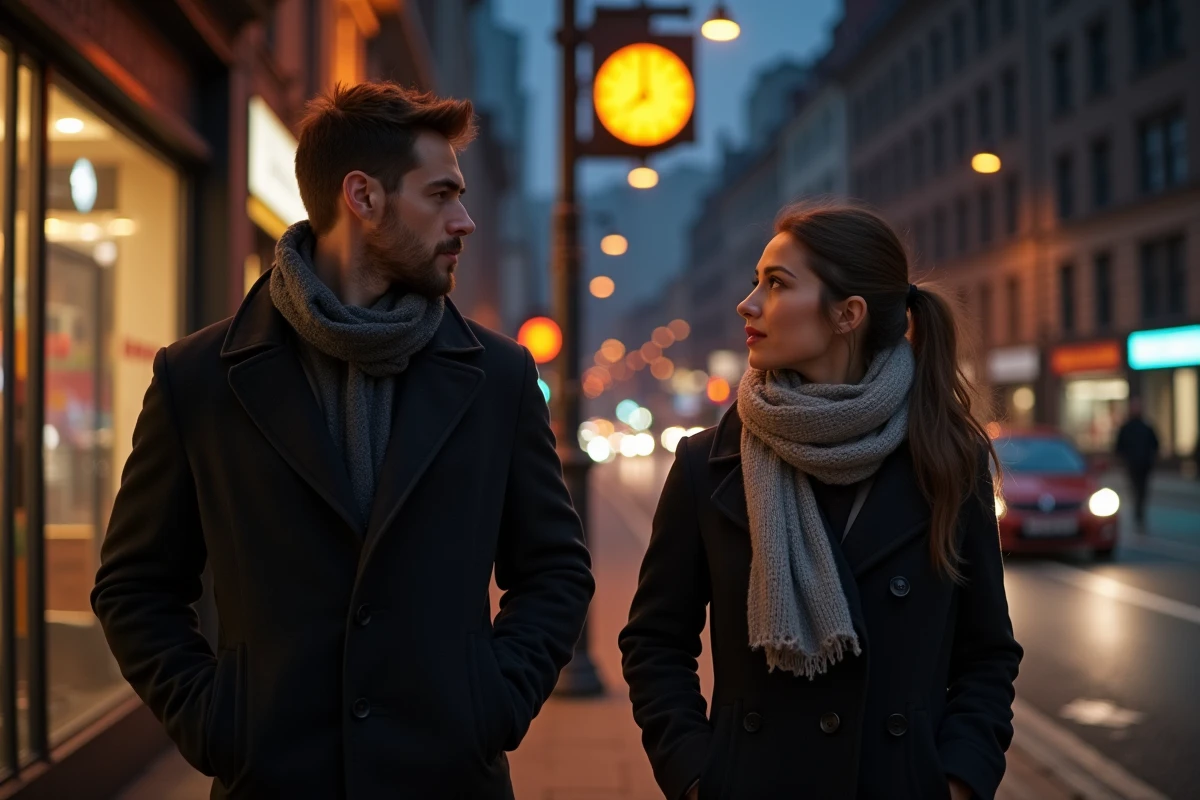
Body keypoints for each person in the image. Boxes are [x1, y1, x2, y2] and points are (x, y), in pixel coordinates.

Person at [91, 82, 594, 799]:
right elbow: (134, 586)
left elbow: (555, 572)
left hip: (448, 780)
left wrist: (492, 704)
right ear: (362, 198)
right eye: (441, 195)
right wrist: (216, 723)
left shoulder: (498, 376)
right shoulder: (198, 377)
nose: (466, 221)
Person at [620, 203, 1022, 800]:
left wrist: (959, 781)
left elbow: (986, 654)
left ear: (846, 314)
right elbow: (655, 642)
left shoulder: (945, 461)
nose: (747, 303)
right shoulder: (707, 466)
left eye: (776, 284)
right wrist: (698, 775)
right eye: (756, 280)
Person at [1115, 397, 1160, 535]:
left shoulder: (1146, 426)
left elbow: (1156, 444)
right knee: (1135, 490)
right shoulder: (1126, 427)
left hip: (1145, 465)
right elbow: (1119, 446)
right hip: (1132, 465)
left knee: (1143, 491)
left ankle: (1140, 514)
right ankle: (1137, 515)